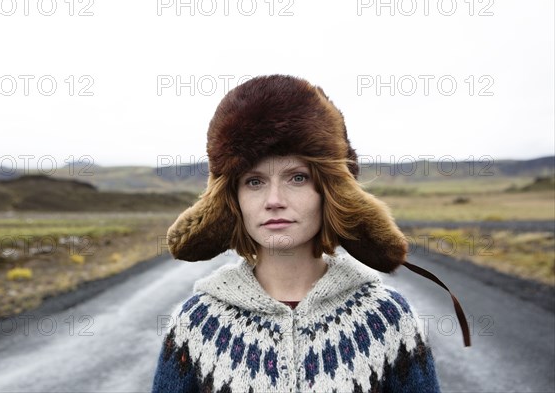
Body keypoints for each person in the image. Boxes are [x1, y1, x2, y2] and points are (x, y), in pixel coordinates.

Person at [151, 75, 468, 393]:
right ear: (233, 200)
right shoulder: (196, 323)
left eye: (297, 178)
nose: (274, 200)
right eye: (254, 181)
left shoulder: (388, 318)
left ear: (329, 192)